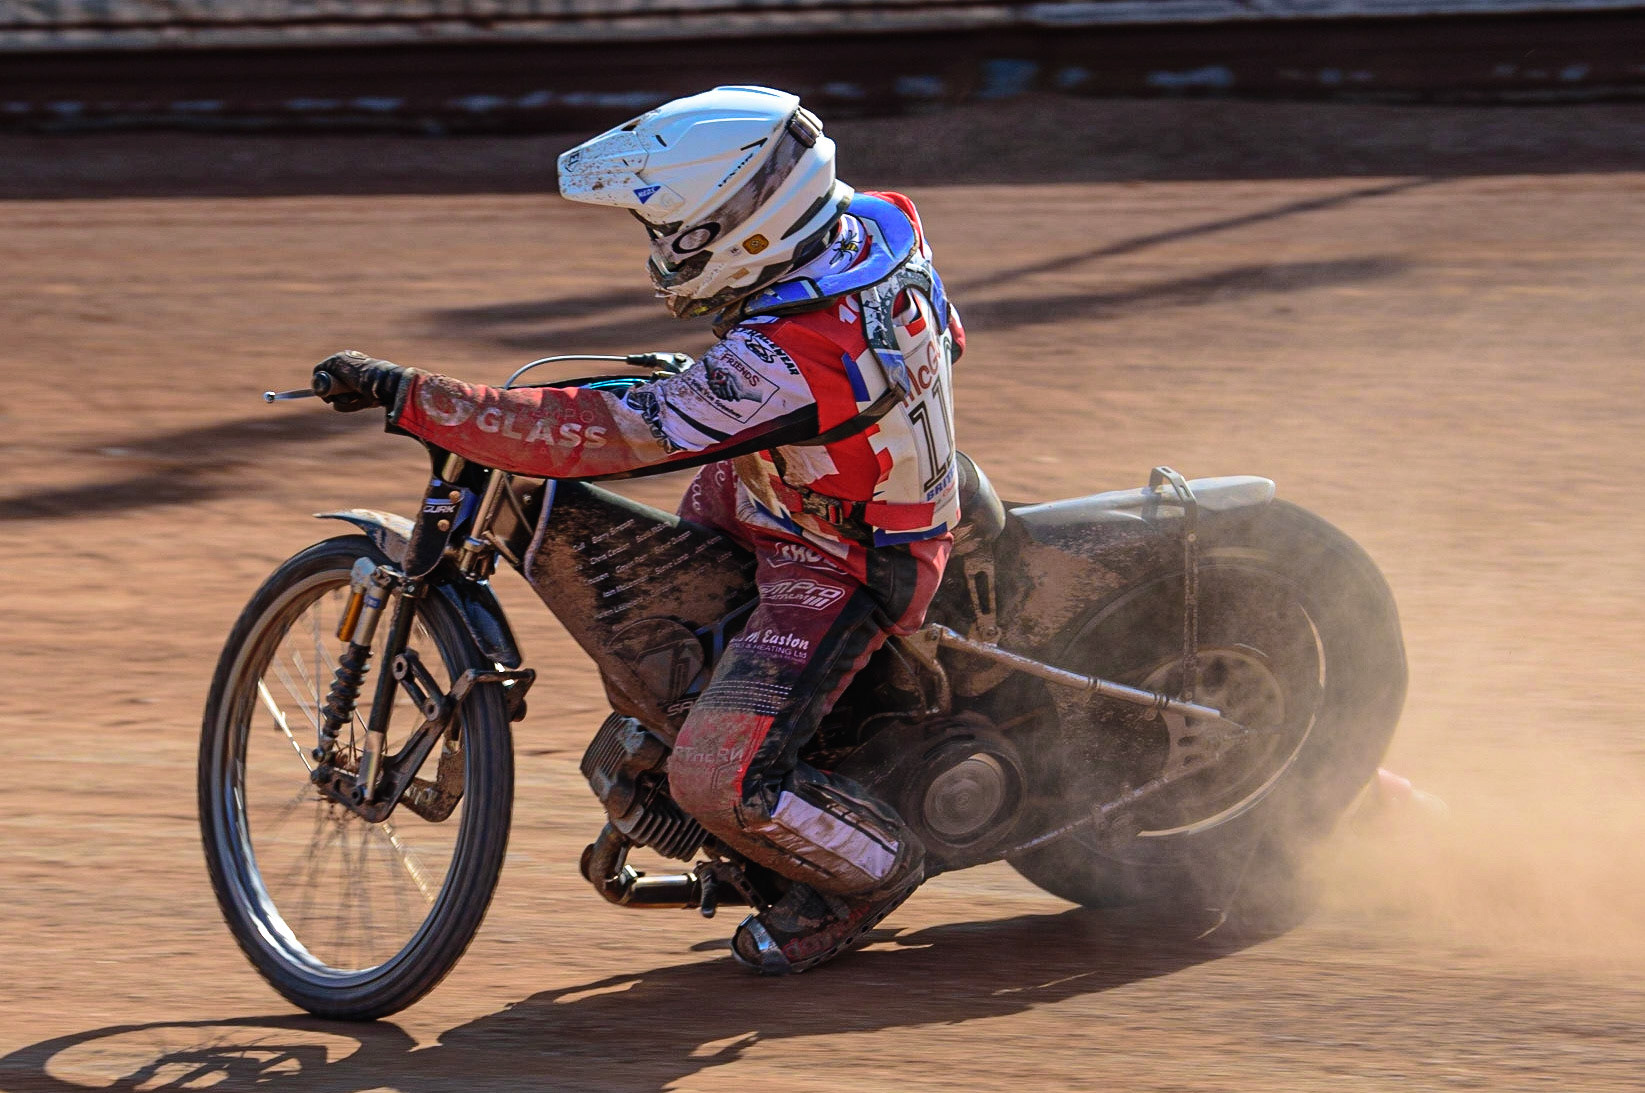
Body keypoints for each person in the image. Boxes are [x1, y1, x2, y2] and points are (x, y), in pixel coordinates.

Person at [314, 85, 963, 974]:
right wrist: (735, 387)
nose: (660, 247)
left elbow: (612, 433)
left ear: (746, 225)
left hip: (843, 555)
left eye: (673, 230)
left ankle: (870, 873)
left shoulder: (798, 354)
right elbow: (937, 340)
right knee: (669, 590)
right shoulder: (880, 226)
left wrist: (417, 395)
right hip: (793, 487)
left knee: (716, 779)